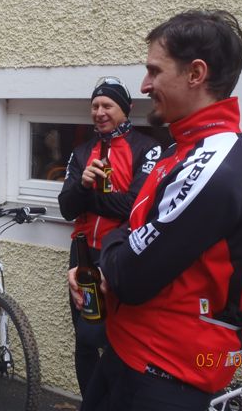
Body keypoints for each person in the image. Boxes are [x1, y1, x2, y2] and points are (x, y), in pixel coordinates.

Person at [69, 10, 242, 410]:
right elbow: (124, 227)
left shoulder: (213, 160)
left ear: (196, 73)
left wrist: (114, 252)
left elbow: (131, 274)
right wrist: (116, 251)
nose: (145, 85)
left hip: (164, 375)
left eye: (155, 71)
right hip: (129, 353)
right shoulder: (181, 149)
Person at [58, 76, 161, 399]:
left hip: (121, 254)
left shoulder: (148, 148)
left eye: (107, 105)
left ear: (125, 109)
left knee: (116, 340)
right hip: (83, 255)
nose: (99, 112)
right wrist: (82, 186)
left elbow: (134, 207)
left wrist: (87, 197)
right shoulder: (81, 152)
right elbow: (66, 207)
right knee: (85, 340)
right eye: (95, 106)